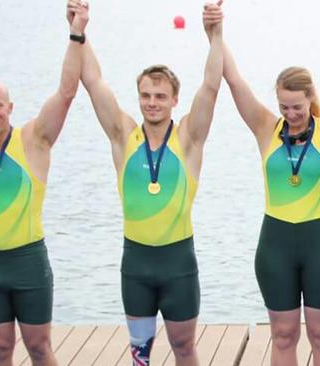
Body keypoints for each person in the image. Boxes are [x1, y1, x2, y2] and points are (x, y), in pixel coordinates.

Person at [220, 20, 320, 366]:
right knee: (283, 335)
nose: (291, 114)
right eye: (284, 107)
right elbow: (233, 80)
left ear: (311, 98)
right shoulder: (265, 127)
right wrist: (214, 34)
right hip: (275, 246)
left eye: (297, 106)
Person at [77, 2, 223, 365]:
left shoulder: (188, 139)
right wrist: (79, 31)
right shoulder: (123, 136)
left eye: (160, 96)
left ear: (174, 100)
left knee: (185, 348)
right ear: (138, 98)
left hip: (178, 264)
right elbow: (93, 82)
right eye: (145, 96)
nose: (152, 103)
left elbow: (211, 85)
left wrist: (215, 35)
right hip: (137, 266)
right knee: (139, 353)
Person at [0, 2, 87, 365]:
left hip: (28, 261)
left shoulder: (33, 141)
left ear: (10, 107)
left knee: (39, 348)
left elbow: (67, 92)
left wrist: (76, 33)